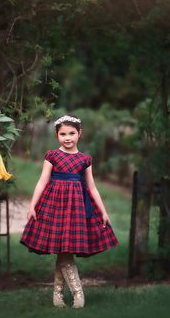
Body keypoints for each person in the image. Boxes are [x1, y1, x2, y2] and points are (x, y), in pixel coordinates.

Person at [20, 114, 118, 308]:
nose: (67, 137)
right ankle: (76, 295)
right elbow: (42, 181)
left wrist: (104, 211)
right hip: (54, 207)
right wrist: (32, 205)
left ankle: (59, 296)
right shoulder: (52, 156)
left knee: (65, 252)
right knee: (64, 252)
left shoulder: (85, 160)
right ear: (57, 135)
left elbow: (92, 187)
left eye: (71, 133)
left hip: (76, 210)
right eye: (63, 134)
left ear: (79, 134)